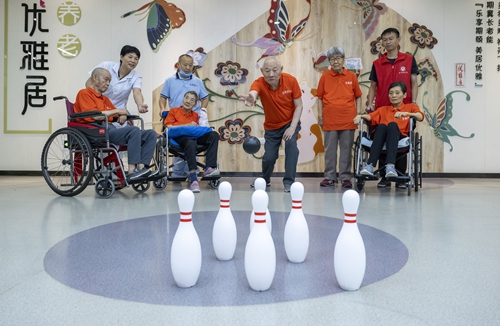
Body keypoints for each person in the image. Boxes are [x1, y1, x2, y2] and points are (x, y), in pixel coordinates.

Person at [75, 68, 157, 180]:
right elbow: (96, 116)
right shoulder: (84, 93)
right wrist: (118, 111)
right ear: (95, 78)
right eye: (106, 80)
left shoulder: (105, 99)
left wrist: (123, 114)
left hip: (110, 130)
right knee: (134, 130)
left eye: (109, 81)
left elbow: (116, 113)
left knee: (150, 134)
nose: (108, 84)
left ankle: (142, 169)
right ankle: (132, 171)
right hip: (96, 131)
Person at [239, 56, 303, 193]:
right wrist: (252, 97)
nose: (271, 74)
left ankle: (289, 182)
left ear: (281, 69)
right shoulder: (260, 83)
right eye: (267, 71)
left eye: (275, 70)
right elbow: (254, 92)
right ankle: (265, 179)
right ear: (262, 71)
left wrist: (292, 127)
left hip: (289, 123)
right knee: (269, 157)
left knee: (291, 145)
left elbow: (299, 106)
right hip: (272, 126)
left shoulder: (291, 81)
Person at [367, 27, 419, 188]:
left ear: (398, 40)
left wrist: (413, 104)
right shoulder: (377, 63)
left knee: (401, 137)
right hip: (383, 108)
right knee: (381, 136)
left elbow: (414, 82)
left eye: (391, 38)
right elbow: (373, 86)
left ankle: (400, 176)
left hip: (404, 110)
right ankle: (384, 176)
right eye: (385, 39)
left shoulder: (409, 60)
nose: (387, 42)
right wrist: (370, 104)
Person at [354, 81, 423, 182]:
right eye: (391, 93)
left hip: (400, 136)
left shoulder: (411, 107)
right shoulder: (383, 109)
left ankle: (390, 166)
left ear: (404, 95)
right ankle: (370, 165)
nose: (393, 95)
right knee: (382, 126)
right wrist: (360, 116)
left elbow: (420, 116)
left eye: (397, 93)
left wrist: (405, 114)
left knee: (392, 125)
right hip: (381, 137)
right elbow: (370, 117)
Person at [317, 46, 362, 189]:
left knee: (346, 150)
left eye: (338, 58)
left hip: (348, 119)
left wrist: (358, 114)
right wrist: (320, 115)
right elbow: (319, 97)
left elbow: (358, 96)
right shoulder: (324, 77)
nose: (335, 61)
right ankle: (329, 177)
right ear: (329, 61)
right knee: (330, 150)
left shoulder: (351, 76)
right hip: (330, 119)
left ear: (343, 59)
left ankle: (345, 177)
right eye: (332, 58)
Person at [159, 54, 210, 178]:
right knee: (178, 147)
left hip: (192, 118)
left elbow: (205, 97)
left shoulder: (197, 81)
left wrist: (202, 111)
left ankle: (193, 173)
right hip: (176, 118)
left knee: (193, 143)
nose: (188, 67)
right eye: (185, 65)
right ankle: (177, 173)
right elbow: (163, 97)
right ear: (178, 65)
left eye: (190, 65)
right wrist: (162, 109)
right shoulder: (170, 80)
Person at [163, 91, 220, 193]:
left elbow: (199, 129)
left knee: (214, 135)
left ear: (195, 104)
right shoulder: (174, 111)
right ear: (183, 99)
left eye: (192, 100)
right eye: (187, 98)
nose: (188, 101)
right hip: (179, 137)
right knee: (190, 143)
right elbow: (169, 127)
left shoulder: (195, 115)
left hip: (194, 137)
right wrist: (187, 125)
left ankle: (209, 167)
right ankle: (193, 178)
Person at [86, 45, 148, 121]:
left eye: (136, 59)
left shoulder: (136, 76)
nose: (133, 61)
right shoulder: (106, 66)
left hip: (119, 111)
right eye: (130, 57)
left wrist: (140, 104)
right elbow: (89, 84)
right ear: (121, 57)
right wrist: (96, 101)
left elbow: (137, 92)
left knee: (130, 128)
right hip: (100, 107)